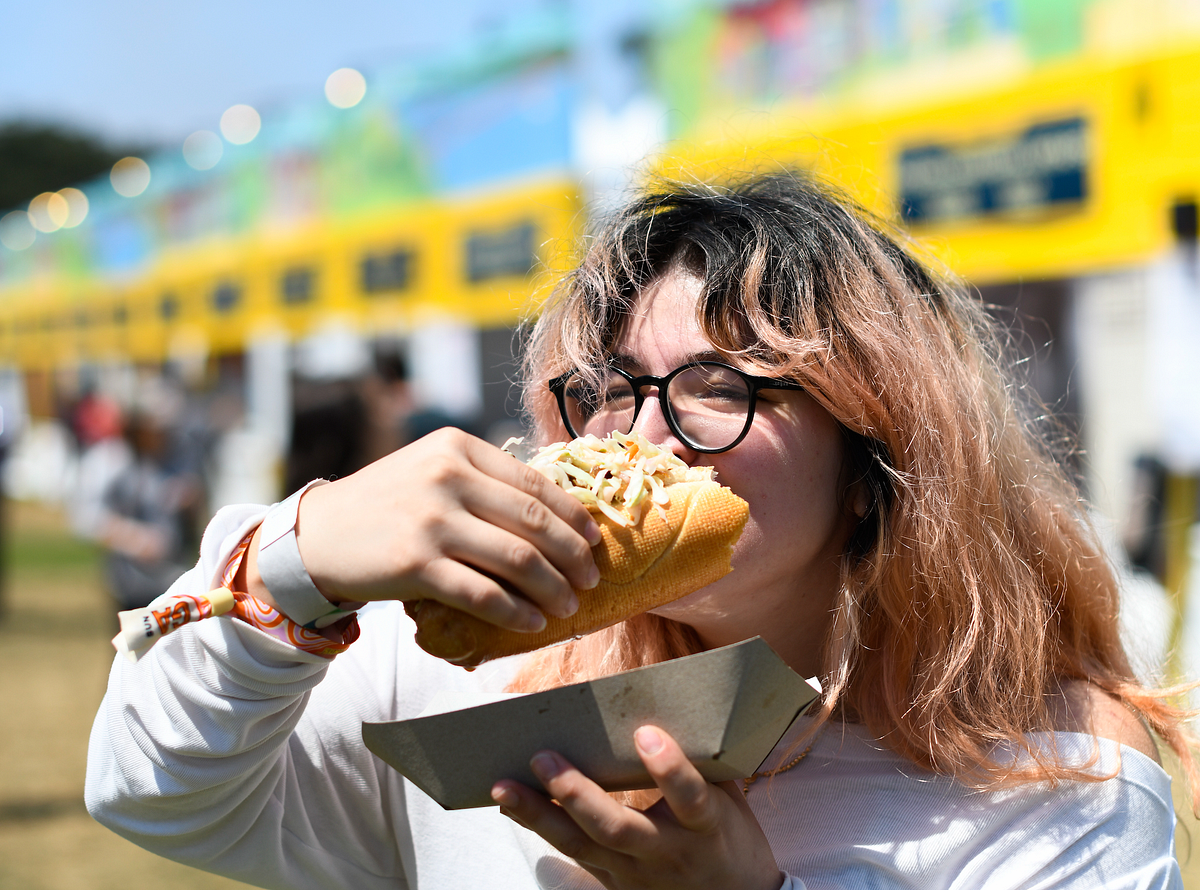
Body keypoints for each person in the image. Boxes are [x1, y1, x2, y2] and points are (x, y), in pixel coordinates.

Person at [86, 171, 1194, 889]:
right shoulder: (468, 683)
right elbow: (153, 790)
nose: (640, 439)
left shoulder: (1058, 776)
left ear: (883, 451)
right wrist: (294, 553)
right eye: (608, 387)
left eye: (719, 383)